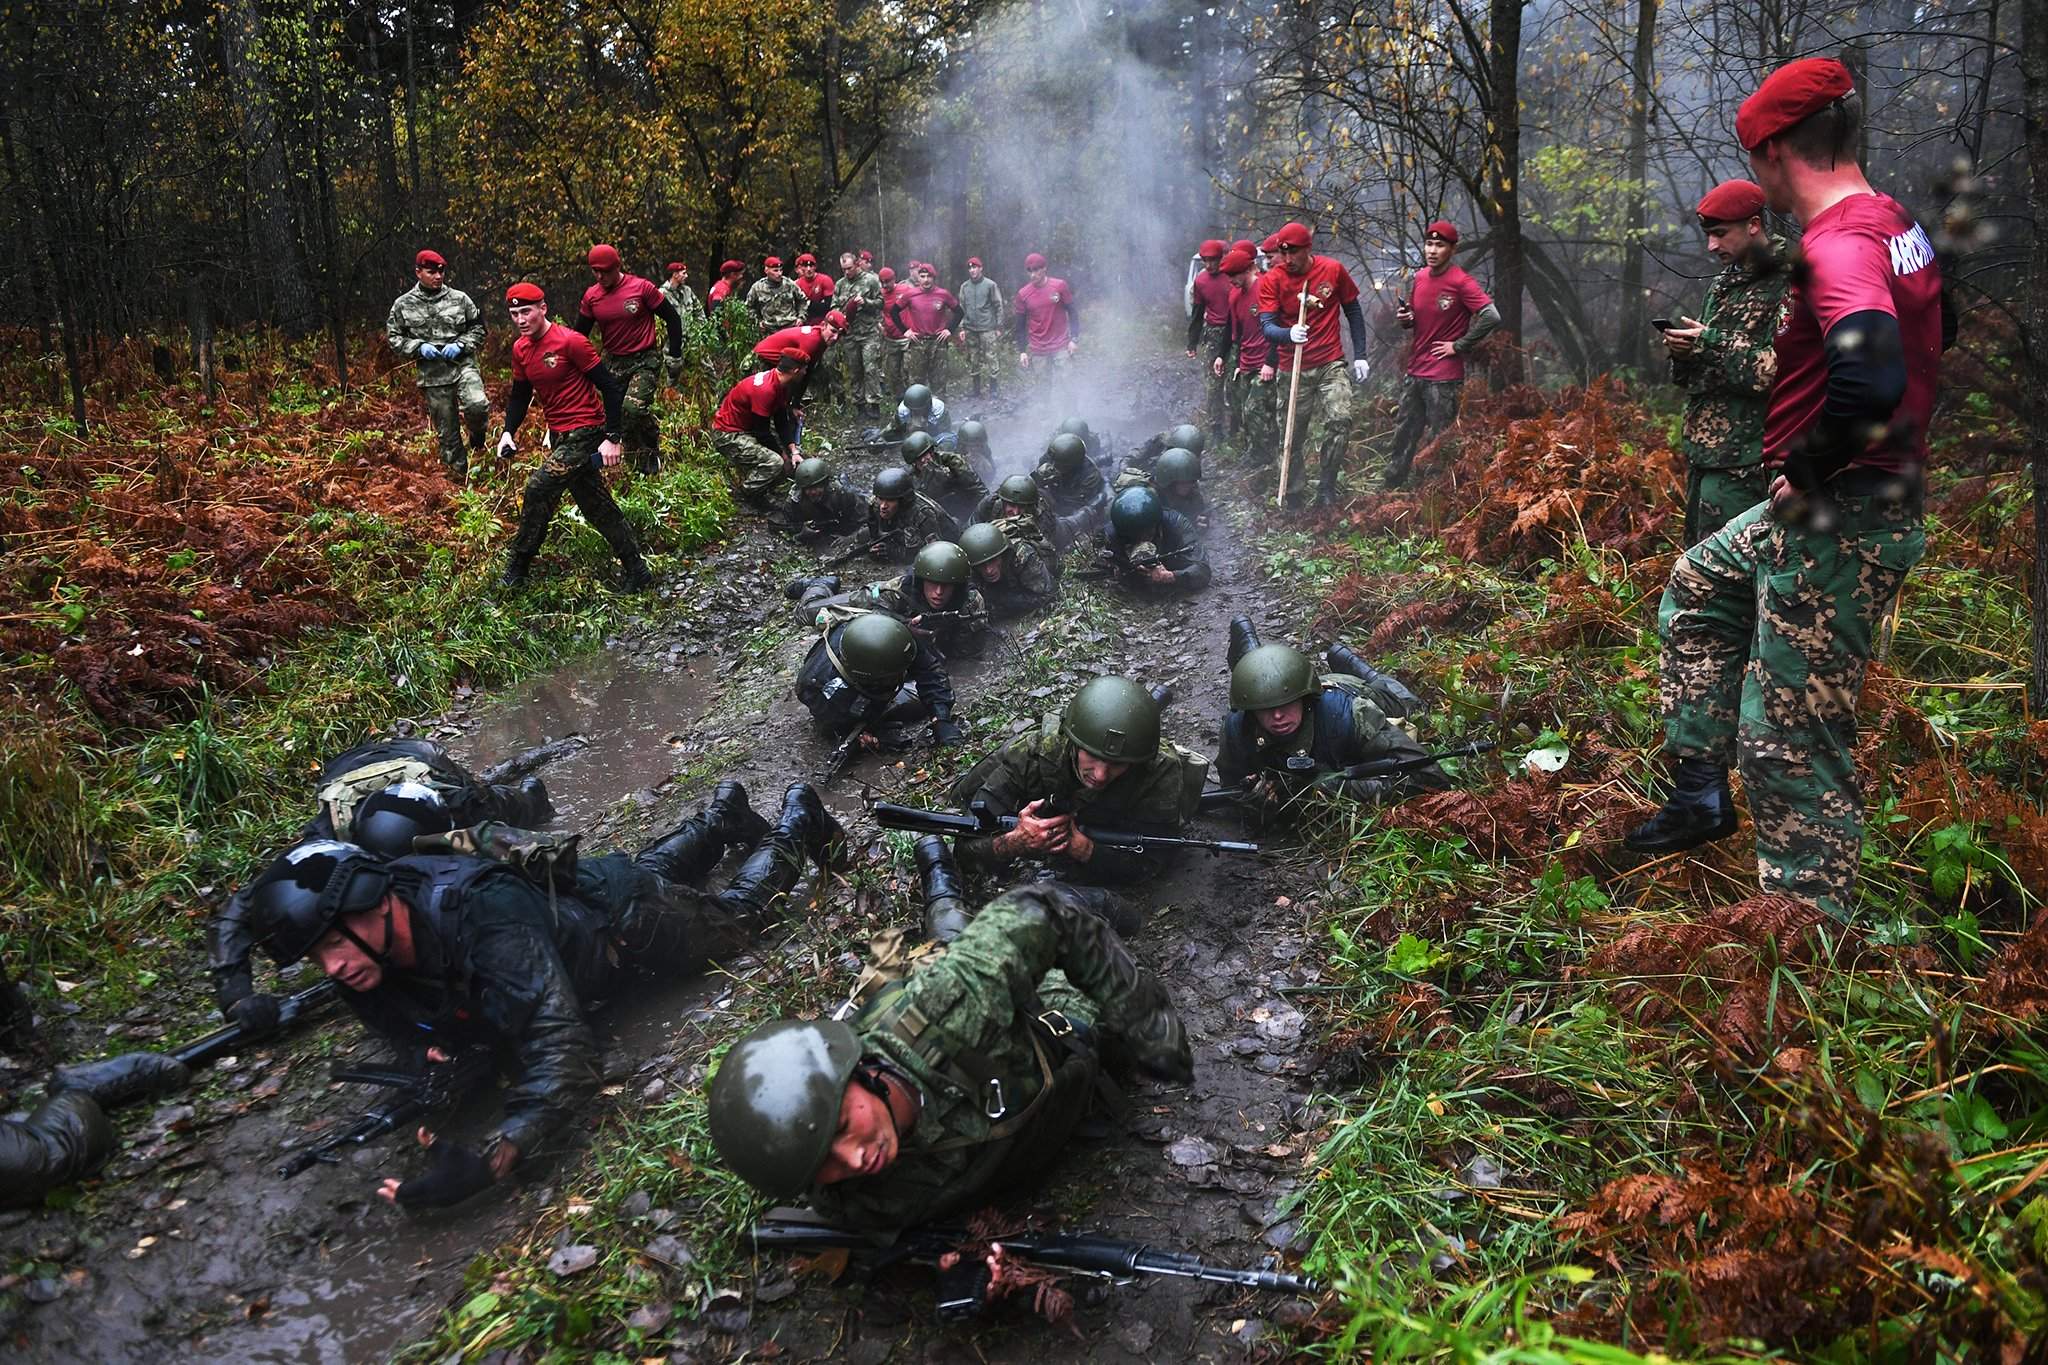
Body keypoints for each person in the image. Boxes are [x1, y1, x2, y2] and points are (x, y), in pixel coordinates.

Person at [1624, 58, 1944, 925]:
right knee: (1697, 588)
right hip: (1831, 499)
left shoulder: (1837, 242)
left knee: (1790, 741)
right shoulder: (1892, 222)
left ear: (1771, 152)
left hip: (1841, 514)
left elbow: (1873, 369)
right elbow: (1929, 336)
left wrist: (1809, 464)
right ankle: (1699, 791)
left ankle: (1807, 941)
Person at [240, 781, 846, 1208]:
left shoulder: (481, 914)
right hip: (576, 909)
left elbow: (564, 1053)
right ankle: (722, 818)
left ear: (370, 903)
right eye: (317, 957)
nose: (333, 966)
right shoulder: (365, 959)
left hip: (624, 926)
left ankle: (799, 817)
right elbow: (411, 1026)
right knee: (641, 870)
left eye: (333, 945)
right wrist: (433, 1055)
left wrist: (493, 1159)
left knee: (740, 918)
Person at [704, 878, 1192, 1229]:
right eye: (823, 1165)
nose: (854, 1159)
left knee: (967, 941)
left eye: (842, 1127)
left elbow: (1041, 913)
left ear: (857, 1072)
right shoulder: (849, 1201)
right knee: (938, 945)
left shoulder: (956, 1007)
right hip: (936, 1003)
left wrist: (1151, 1025)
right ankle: (936, 879)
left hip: (1051, 1010)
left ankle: (961, 878)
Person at [209, 736, 553, 1032]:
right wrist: (237, 995)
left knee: (522, 806)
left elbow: (512, 865)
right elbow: (244, 906)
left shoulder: (460, 811)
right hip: (349, 770)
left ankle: (533, 787)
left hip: (426, 763)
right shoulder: (327, 847)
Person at [948, 677, 1205, 886]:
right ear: (1073, 744)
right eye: (1092, 756)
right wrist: (1015, 842)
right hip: (1031, 788)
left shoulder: (1158, 771)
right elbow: (964, 851)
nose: (1101, 775)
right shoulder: (1031, 755)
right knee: (961, 794)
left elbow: (1153, 862)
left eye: (1117, 763)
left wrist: (1086, 850)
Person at [495, 282, 650, 591]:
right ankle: (637, 570)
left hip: (587, 431)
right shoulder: (520, 350)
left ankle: (517, 569)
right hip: (560, 435)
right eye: (514, 314)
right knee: (596, 505)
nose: (521, 320)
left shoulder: (571, 342)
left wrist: (613, 437)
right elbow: (519, 396)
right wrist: (508, 432)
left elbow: (610, 387)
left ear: (543, 308)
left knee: (538, 488)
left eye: (526, 311)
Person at [1665, 180, 1790, 547]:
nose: (1712, 246)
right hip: (1706, 455)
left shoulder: (1786, 280)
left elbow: (1776, 370)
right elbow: (1701, 373)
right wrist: (1684, 353)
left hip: (1749, 457)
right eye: (1708, 235)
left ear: (1753, 225)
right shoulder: (1723, 283)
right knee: (1700, 563)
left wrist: (1708, 342)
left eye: (1720, 234)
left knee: (1735, 572)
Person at [1215, 636, 1449, 825]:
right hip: (1295, 681)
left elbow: (1429, 778)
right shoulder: (1237, 728)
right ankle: (1250, 645)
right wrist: (1253, 800)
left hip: (1354, 689)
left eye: (1286, 705)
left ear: (1305, 700)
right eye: (1265, 708)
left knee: (1405, 702)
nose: (1277, 716)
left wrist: (1332, 788)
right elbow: (1231, 789)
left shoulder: (1352, 715)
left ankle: (1351, 662)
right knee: (1266, 676)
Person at [1257, 221, 1372, 506]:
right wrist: (1288, 334)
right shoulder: (1272, 279)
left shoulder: (1332, 270)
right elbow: (1267, 326)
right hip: (1292, 366)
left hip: (1330, 362)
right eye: (1282, 253)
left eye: (1292, 253)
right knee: (1292, 434)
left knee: (1340, 419)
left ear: (1307, 248)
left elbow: (1353, 310)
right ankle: (1294, 492)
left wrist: (1360, 354)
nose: (1286, 260)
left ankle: (1327, 487)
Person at [1384, 222, 1502, 489]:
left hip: (1444, 377)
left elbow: (1492, 316)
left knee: (1439, 440)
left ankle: (1435, 495)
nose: (1433, 250)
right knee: (1404, 433)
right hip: (1415, 370)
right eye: (1429, 244)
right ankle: (1391, 489)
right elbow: (1416, 319)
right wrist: (1406, 318)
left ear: (1452, 249)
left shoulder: (1461, 281)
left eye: (1440, 245)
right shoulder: (1420, 277)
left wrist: (1459, 345)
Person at [576, 244, 687, 473]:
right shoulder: (592, 296)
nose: (600, 276)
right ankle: (638, 465)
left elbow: (672, 318)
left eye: (605, 271)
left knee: (631, 409)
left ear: (617, 267)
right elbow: (579, 334)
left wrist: (674, 353)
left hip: (644, 359)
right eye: (595, 271)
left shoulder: (641, 288)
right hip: (612, 361)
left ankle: (648, 445)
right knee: (610, 415)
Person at [791, 542, 990, 661]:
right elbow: (870, 624)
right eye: (932, 583)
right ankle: (820, 584)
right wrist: (904, 629)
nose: (938, 592)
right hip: (876, 597)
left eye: (946, 585)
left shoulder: (970, 602)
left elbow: (967, 654)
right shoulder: (895, 593)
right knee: (806, 612)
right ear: (921, 581)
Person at [386, 249, 488, 479]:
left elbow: (479, 328)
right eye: (431, 272)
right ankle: (459, 483)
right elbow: (394, 338)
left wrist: (462, 344)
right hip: (433, 376)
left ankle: (478, 438)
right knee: (448, 434)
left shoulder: (460, 299)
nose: (438, 277)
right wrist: (418, 347)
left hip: (463, 365)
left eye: (441, 272)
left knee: (477, 405)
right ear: (418, 272)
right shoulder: (403, 305)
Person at [795, 612, 963, 750]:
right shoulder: (818, 688)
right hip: (841, 695)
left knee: (918, 701)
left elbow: (929, 670)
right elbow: (832, 726)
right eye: (892, 676)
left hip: (875, 676)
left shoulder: (895, 637)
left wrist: (940, 718)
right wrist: (872, 733)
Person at [711, 348, 809, 505]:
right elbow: (762, 433)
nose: (805, 373)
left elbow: (781, 421)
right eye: (804, 369)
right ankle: (746, 495)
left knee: (792, 457)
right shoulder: (766, 390)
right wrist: (783, 457)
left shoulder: (781, 383)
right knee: (774, 462)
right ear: (796, 370)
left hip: (748, 428)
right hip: (728, 434)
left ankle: (766, 488)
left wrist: (793, 450)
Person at [1219, 248, 1278, 465]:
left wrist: (1270, 362)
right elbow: (1238, 331)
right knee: (1245, 410)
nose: (1231, 281)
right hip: (1246, 360)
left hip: (1264, 361)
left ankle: (1266, 456)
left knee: (1257, 408)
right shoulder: (1234, 294)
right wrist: (1232, 360)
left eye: (1234, 276)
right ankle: (1256, 451)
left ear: (1246, 270)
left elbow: (1277, 326)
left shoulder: (1265, 288)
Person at [1093, 486, 1210, 595]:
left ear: (1157, 525)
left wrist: (1170, 576)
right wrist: (1121, 571)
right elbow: (1099, 568)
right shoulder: (1111, 535)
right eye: (1133, 536)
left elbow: (1202, 570)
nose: (1141, 539)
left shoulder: (1176, 524)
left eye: (1147, 533)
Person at [1185, 239, 1234, 440]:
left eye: (1213, 260)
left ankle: (1237, 426)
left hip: (1235, 332)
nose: (1209, 265)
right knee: (1213, 384)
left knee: (1234, 382)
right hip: (1213, 332)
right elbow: (1197, 313)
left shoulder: (1232, 275)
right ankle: (1216, 428)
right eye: (1205, 260)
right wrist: (1192, 342)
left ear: (1221, 258)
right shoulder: (1201, 281)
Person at [861, 465, 959, 563]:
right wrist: (874, 545)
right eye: (880, 498)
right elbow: (873, 527)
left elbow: (935, 553)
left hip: (942, 541)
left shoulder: (923, 515)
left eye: (890, 500)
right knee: (863, 536)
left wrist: (896, 552)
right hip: (902, 530)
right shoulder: (876, 503)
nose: (883, 506)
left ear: (903, 500)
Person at [961, 520, 1058, 618]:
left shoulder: (1022, 556)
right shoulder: (970, 565)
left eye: (993, 560)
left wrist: (1004, 600)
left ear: (1003, 555)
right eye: (981, 565)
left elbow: (1049, 594)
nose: (989, 570)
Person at [891, 263, 961, 398]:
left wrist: (949, 330)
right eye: (922, 276)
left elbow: (959, 312)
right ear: (918, 278)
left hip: (938, 343)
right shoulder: (910, 294)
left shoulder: (943, 294)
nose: (926, 280)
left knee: (939, 382)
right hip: (918, 343)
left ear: (934, 278)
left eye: (929, 276)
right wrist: (905, 331)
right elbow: (894, 312)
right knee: (916, 384)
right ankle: (918, 415)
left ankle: (939, 415)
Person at [1031, 432, 1110, 547]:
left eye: (1058, 464)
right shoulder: (1052, 456)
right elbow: (1035, 482)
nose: (1052, 465)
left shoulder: (1090, 475)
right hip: (1055, 494)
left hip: (1076, 506)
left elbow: (1075, 506)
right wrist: (1039, 477)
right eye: (1052, 460)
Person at [834, 251, 887, 416]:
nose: (846, 272)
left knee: (870, 368)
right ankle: (860, 406)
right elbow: (833, 307)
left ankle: (874, 405)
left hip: (869, 332)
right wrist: (840, 315)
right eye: (843, 269)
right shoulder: (840, 285)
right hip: (850, 334)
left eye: (849, 268)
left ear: (856, 264)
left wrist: (866, 302)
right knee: (854, 370)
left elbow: (881, 302)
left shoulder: (871, 280)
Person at [902, 430, 987, 525]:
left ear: (932, 452)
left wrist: (986, 509)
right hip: (937, 518)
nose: (923, 460)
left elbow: (977, 488)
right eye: (918, 458)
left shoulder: (953, 462)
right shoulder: (911, 478)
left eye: (925, 454)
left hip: (964, 508)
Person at [1114, 445, 1208, 531]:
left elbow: (1199, 510)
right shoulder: (1149, 497)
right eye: (1184, 482)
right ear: (1170, 482)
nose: (1190, 485)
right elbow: (1149, 530)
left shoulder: (1190, 492)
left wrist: (1200, 521)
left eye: (1191, 481)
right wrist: (1184, 525)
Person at [1013, 252, 1078, 372]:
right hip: (1039, 350)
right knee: (1042, 388)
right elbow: (1020, 325)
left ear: (1044, 268)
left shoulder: (1059, 286)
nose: (1033, 275)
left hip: (1061, 346)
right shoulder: (1023, 294)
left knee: (1067, 386)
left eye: (1036, 270)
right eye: (1029, 271)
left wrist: (1074, 339)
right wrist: (1022, 351)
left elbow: (1072, 311)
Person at [778, 455, 865, 542]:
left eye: (816, 487)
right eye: (808, 489)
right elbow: (788, 528)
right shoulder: (794, 502)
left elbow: (863, 518)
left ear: (825, 484)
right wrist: (801, 535)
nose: (813, 492)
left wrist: (851, 537)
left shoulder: (842, 493)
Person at [956, 257, 1007, 397]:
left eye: (975, 267)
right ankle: (976, 390)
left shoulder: (990, 285)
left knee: (991, 356)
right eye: (970, 268)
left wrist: (998, 326)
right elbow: (961, 308)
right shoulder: (964, 287)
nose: (972, 270)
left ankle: (994, 389)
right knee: (973, 358)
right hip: (970, 328)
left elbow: (998, 305)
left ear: (981, 268)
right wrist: (961, 328)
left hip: (987, 327)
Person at [970, 473, 1060, 551]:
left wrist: (1033, 534)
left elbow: (1048, 557)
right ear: (1003, 503)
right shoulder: (990, 504)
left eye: (1022, 506)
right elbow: (969, 532)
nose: (1015, 512)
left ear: (1029, 507)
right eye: (1011, 505)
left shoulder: (1041, 517)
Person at [747, 256, 807, 336]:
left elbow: (803, 300)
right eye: (775, 271)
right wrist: (757, 322)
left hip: (790, 326)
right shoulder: (757, 287)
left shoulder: (789, 284)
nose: (779, 274)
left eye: (780, 270)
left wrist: (801, 318)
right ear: (766, 270)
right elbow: (749, 307)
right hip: (769, 329)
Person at [877, 267, 909, 396]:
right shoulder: (880, 294)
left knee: (908, 369)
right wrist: (880, 326)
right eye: (882, 282)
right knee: (893, 372)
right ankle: (899, 399)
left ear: (894, 279)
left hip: (906, 337)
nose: (885, 285)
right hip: (891, 339)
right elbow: (875, 312)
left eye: (887, 282)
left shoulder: (905, 289)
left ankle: (912, 397)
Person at [881, 383, 952, 440]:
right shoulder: (903, 411)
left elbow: (945, 432)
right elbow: (897, 427)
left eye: (919, 410)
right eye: (913, 410)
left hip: (933, 434)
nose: (917, 413)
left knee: (947, 441)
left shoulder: (938, 409)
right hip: (910, 434)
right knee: (887, 436)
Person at [660, 261, 705, 329]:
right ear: (675, 275)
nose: (686, 276)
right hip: (673, 336)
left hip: (691, 336)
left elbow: (699, 310)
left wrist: (699, 328)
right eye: (684, 273)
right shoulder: (662, 293)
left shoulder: (687, 291)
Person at [794, 253, 838, 322]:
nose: (809, 269)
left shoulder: (825, 280)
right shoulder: (797, 284)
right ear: (801, 268)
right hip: (804, 320)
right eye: (805, 266)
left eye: (811, 266)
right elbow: (796, 307)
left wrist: (808, 304)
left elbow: (829, 306)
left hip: (823, 320)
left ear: (815, 267)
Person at [954, 418, 996, 484]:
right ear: (963, 445)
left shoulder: (985, 449)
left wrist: (986, 465)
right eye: (970, 446)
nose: (974, 449)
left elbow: (992, 472)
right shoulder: (954, 451)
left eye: (977, 446)